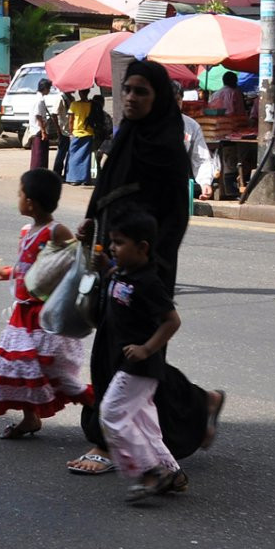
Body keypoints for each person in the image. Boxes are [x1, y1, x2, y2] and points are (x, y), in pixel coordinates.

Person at [66, 60, 227, 479]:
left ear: (158, 99)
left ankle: (108, 439)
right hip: (111, 257)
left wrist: (145, 266)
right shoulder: (128, 136)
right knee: (119, 346)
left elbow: (174, 216)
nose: (132, 99)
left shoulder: (165, 146)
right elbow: (107, 188)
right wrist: (90, 219)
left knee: (130, 349)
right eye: (128, 91)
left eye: (142, 92)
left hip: (143, 267)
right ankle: (198, 403)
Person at [92, 207, 194, 501]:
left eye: (120, 243)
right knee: (144, 423)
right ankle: (171, 472)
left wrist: (146, 348)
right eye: (112, 241)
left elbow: (172, 321)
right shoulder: (124, 272)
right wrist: (106, 267)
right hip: (127, 361)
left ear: (142, 247)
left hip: (140, 364)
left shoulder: (149, 282)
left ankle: (150, 471)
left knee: (111, 412)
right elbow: (119, 285)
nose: (113, 247)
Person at [0, 168, 89, 437]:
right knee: (20, 367)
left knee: (54, 371)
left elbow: (74, 260)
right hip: (22, 314)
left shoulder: (55, 231)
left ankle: (103, 409)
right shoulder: (27, 230)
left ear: (31, 202)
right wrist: (4, 273)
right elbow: (26, 268)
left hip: (44, 315)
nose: (17, 198)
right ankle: (31, 417)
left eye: (19, 194)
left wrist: (83, 240)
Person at [64, 87, 97, 185]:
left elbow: (70, 120)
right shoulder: (91, 105)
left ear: (79, 93)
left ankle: (73, 178)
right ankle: (84, 179)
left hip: (77, 133)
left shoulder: (74, 104)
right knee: (85, 157)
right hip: (89, 133)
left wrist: (70, 132)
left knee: (73, 156)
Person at [25, 78, 56, 171]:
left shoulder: (39, 98)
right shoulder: (39, 100)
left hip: (37, 130)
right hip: (38, 131)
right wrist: (43, 131)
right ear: (45, 88)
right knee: (39, 156)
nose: (49, 90)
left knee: (40, 155)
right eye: (49, 88)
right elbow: (38, 116)